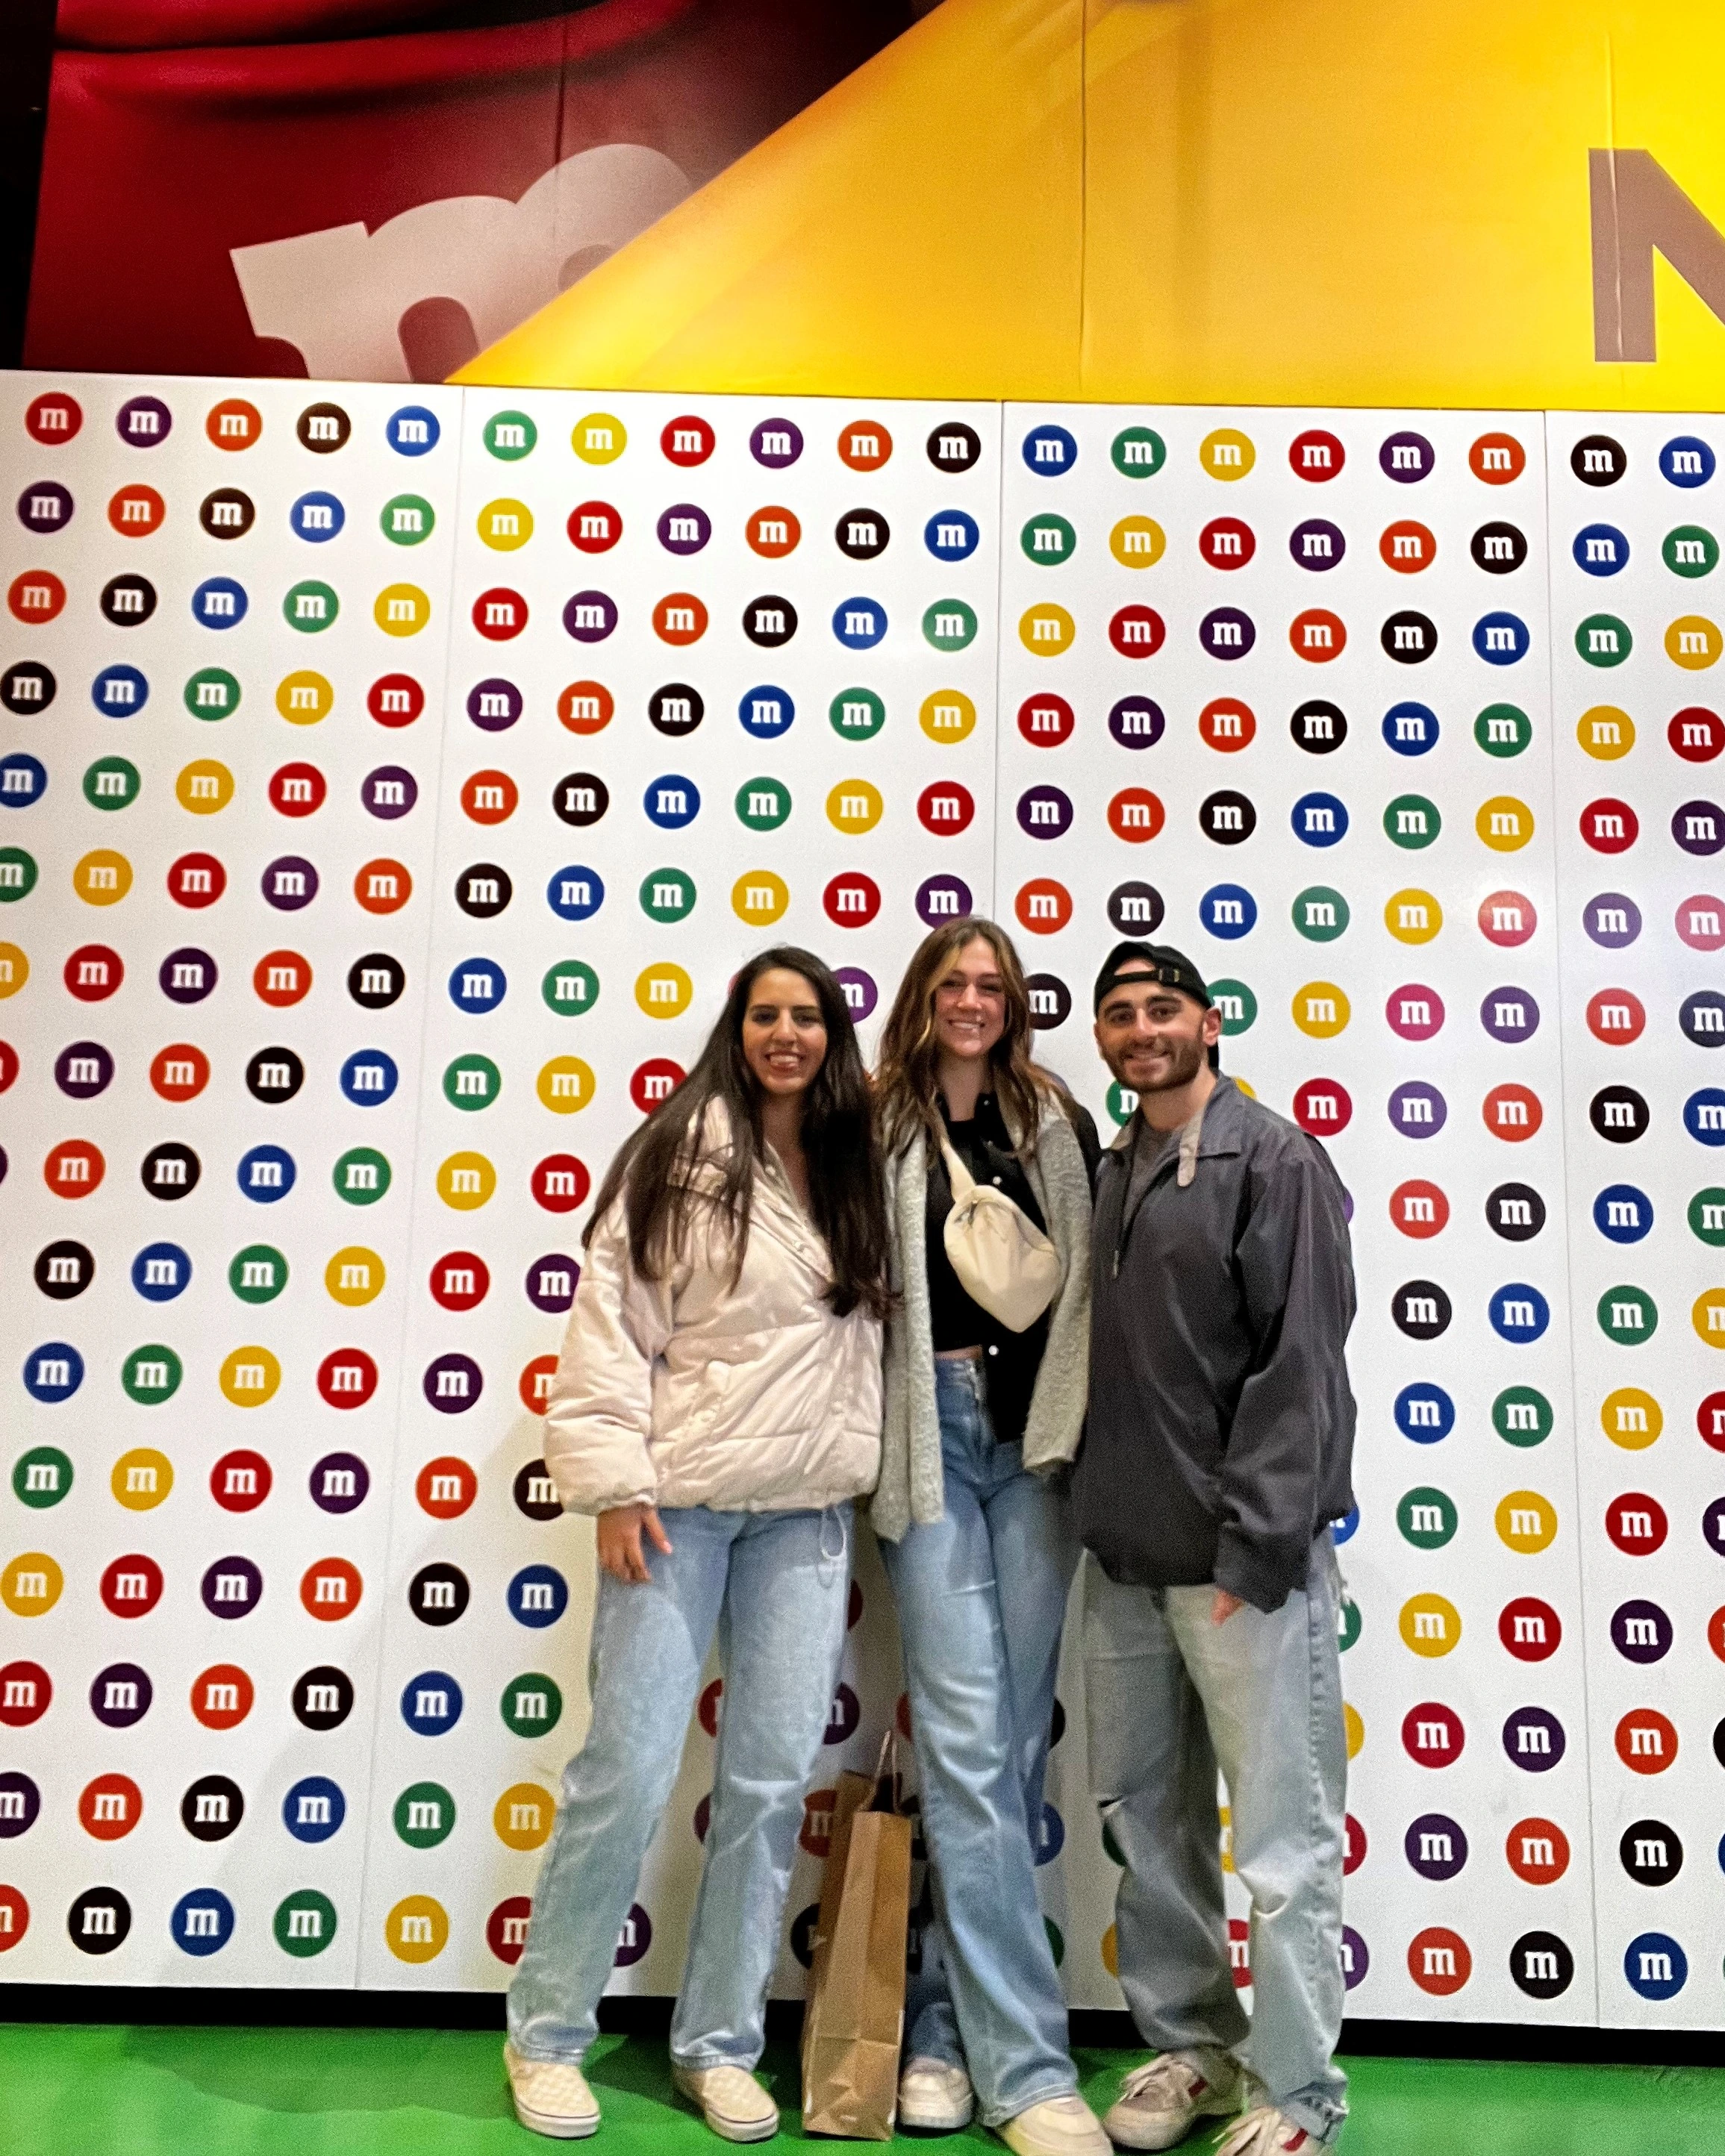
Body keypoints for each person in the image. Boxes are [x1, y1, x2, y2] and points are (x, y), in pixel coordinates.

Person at [503, 948, 891, 2143]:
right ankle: (547, 2033)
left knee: (772, 1788)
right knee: (621, 1770)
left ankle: (717, 2045)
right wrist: (615, 1487)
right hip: (677, 1510)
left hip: (807, 1519)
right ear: (737, 1029)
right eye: (766, 1015)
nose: (787, 1034)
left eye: (808, 1017)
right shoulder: (677, 1156)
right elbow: (611, 1330)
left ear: (833, 1036)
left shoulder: (857, 1166)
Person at [1077, 943, 1357, 2156]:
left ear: (1209, 1021)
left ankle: (1297, 2095)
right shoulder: (1110, 1167)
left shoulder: (1276, 1156)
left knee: (1283, 1850)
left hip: (1241, 1573)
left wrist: (1256, 1553)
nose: (1140, 1030)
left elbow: (1302, 1368)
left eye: (1161, 1009)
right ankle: (1187, 2045)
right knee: (1150, 1828)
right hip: (1124, 1565)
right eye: (1118, 1014)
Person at [870, 918, 1107, 2156]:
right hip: (929, 1444)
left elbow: (1091, 1288)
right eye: (953, 983)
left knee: (1006, 1752)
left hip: (1035, 1450)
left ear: (1016, 1003)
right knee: (968, 1745)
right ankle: (1023, 2069)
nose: (972, 1001)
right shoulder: (877, 1121)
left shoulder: (1048, 1117)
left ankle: (941, 2034)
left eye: (992, 985)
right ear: (923, 996)